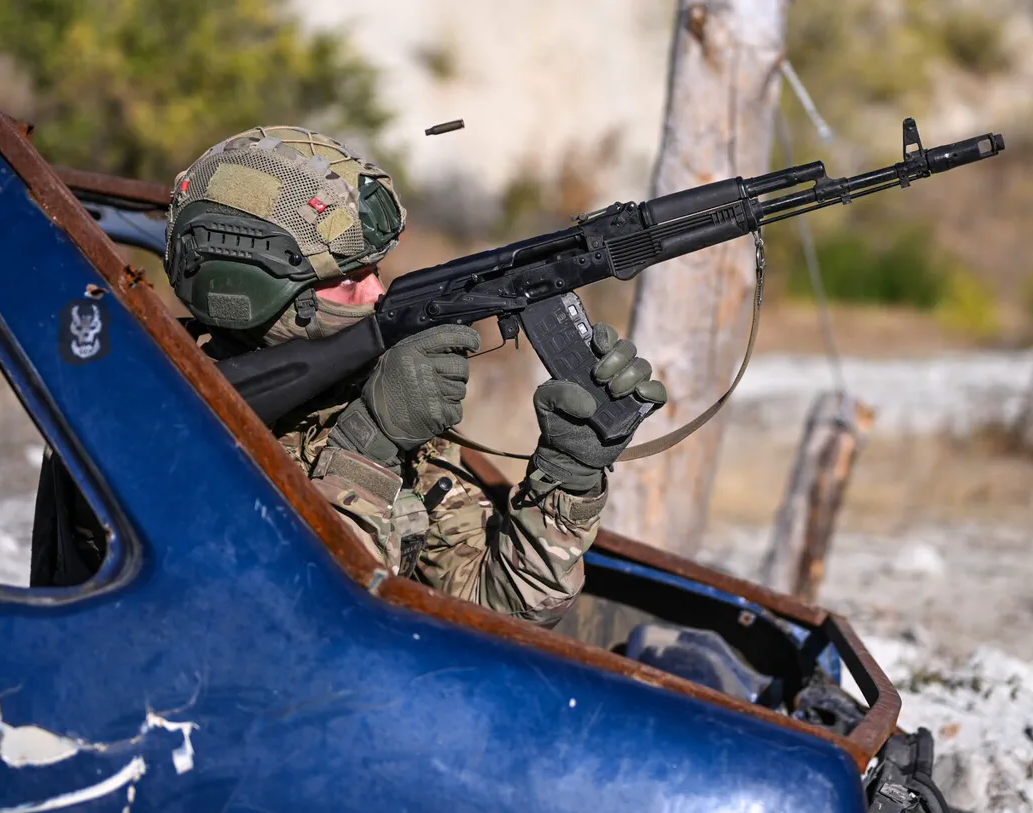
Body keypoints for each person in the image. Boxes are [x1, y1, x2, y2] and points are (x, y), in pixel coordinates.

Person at [162, 126, 666, 626]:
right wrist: (368, 445)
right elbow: (297, 619)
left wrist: (566, 478)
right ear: (247, 291)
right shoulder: (169, 431)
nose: (376, 294)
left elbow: (498, 612)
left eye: (374, 269)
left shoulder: (358, 390)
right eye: (346, 279)